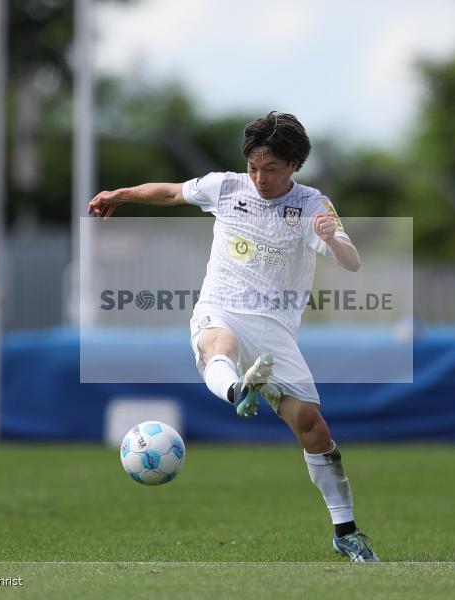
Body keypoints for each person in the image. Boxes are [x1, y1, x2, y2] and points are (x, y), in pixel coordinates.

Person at [88, 112, 379, 562]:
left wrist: (332, 239)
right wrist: (121, 194)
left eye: (271, 169)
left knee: (313, 428)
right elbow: (171, 192)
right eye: (253, 167)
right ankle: (236, 390)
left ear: (294, 165)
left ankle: (346, 531)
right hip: (221, 305)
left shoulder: (312, 206)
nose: (260, 178)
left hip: (275, 329)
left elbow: (353, 261)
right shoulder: (225, 187)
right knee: (216, 345)